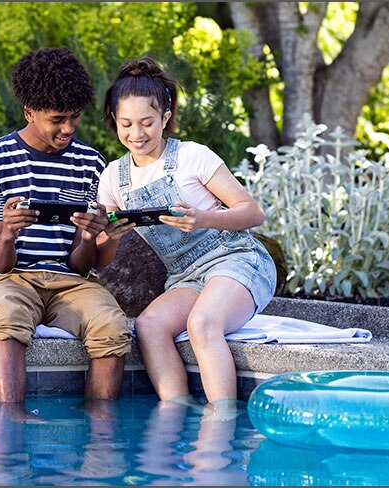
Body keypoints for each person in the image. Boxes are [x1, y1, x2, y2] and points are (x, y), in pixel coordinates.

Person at [95, 57, 277, 410]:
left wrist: (204, 218)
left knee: (203, 322)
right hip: (186, 277)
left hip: (236, 260)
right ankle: (177, 410)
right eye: (126, 123)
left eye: (147, 122)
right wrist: (109, 234)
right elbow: (103, 246)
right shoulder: (113, 177)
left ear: (165, 118)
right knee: (148, 326)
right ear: (114, 121)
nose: (137, 134)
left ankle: (222, 420)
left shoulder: (193, 156)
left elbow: (253, 212)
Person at [0, 47, 131, 404]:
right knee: (7, 317)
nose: (68, 128)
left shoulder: (90, 163)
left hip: (70, 282)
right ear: (29, 112)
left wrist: (89, 234)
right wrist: (8, 232)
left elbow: (80, 266)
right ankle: (10, 426)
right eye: (57, 119)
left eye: (75, 117)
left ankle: (101, 437)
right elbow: (0, 264)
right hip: (8, 279)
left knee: (112, 326)